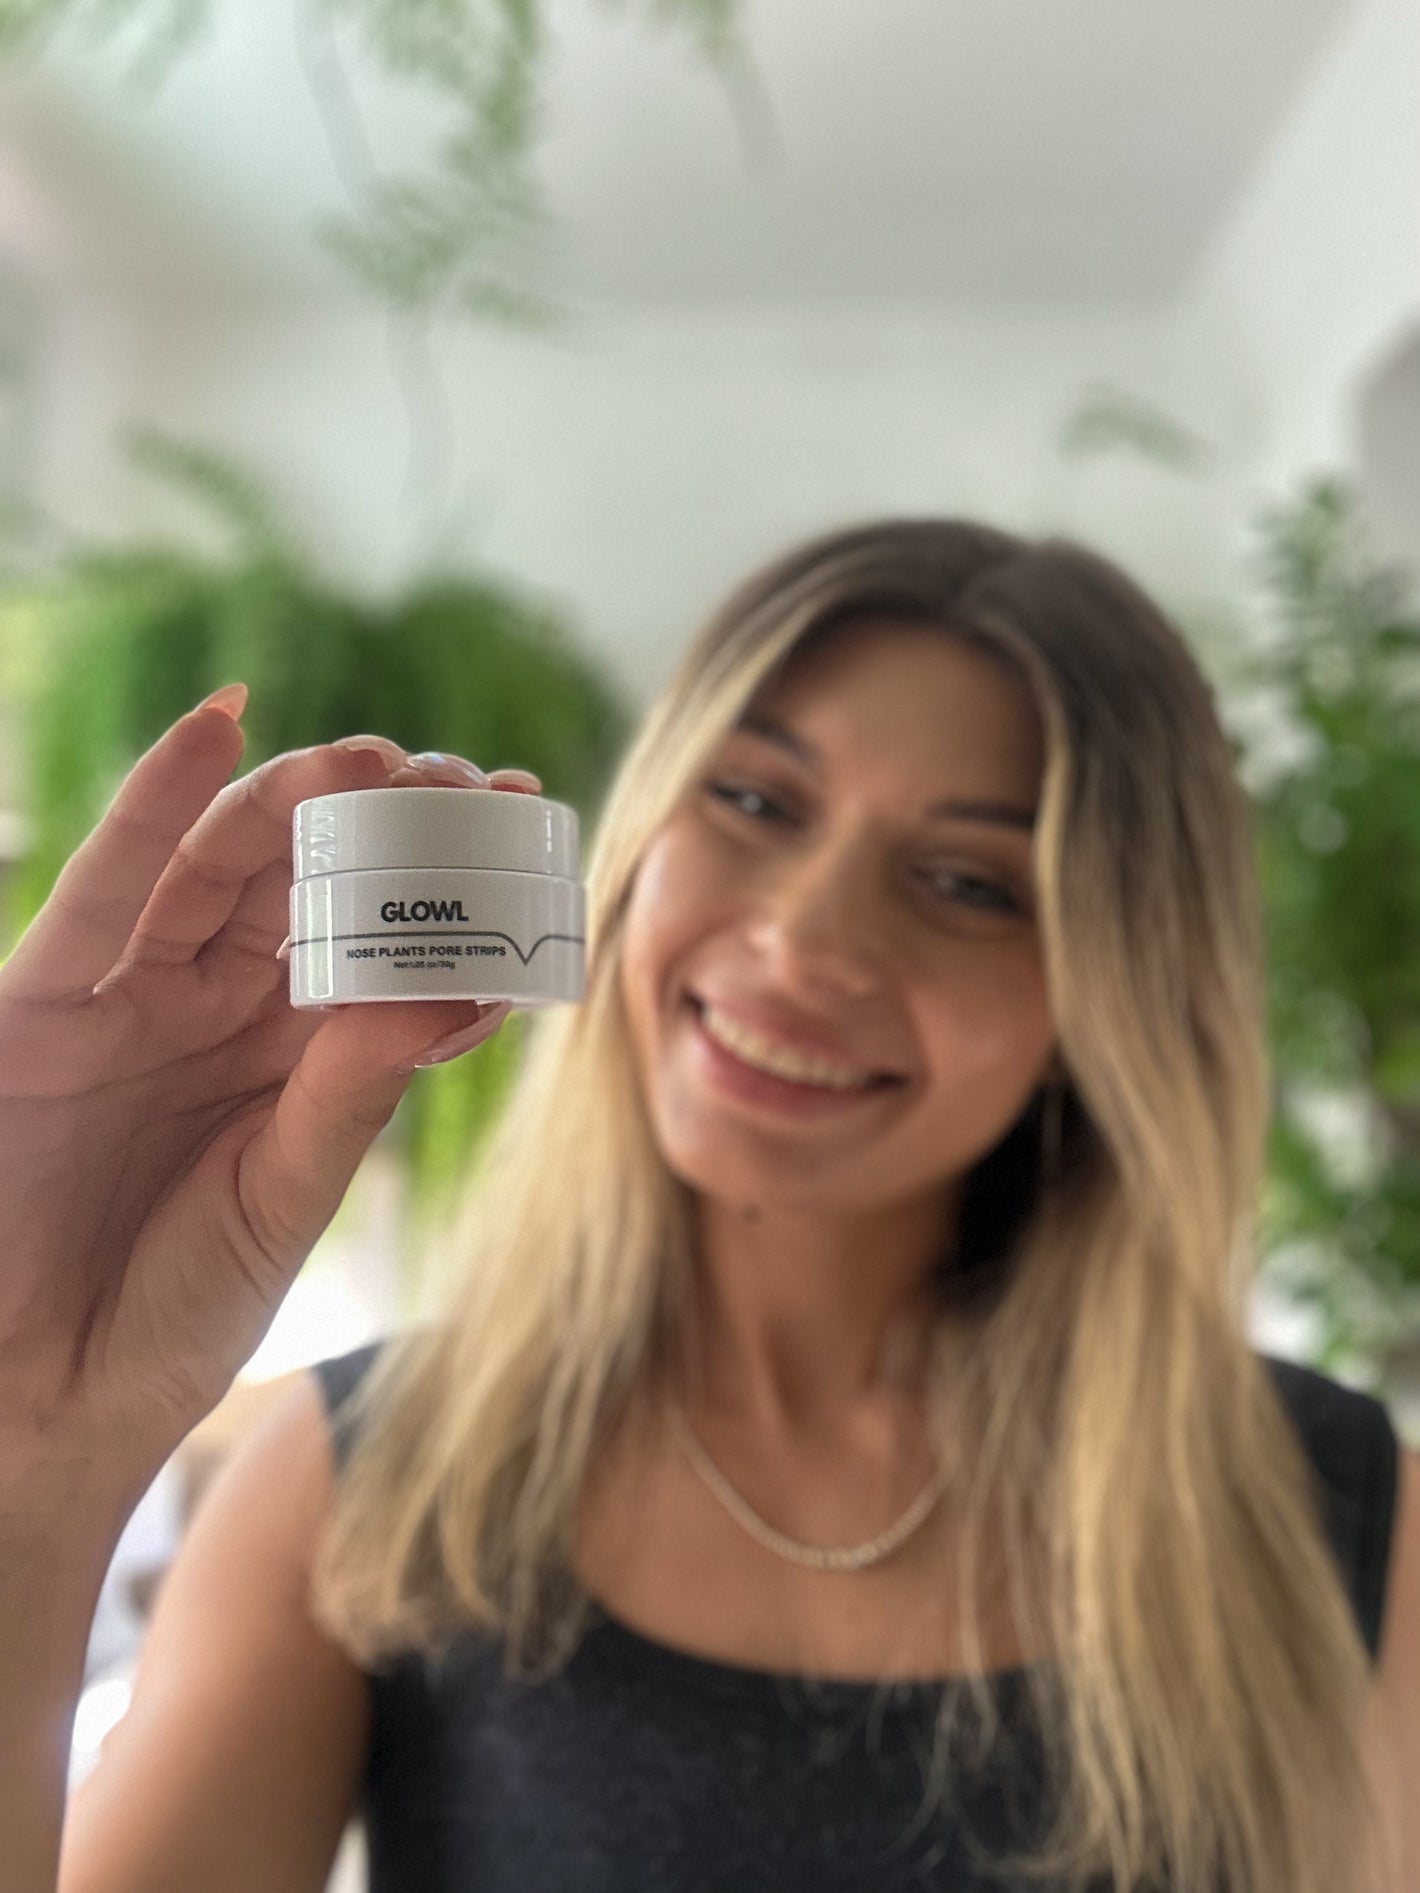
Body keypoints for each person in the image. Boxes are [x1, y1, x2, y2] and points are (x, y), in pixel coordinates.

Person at [0, 519, 1415, 1893]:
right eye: (754, 801)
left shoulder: (1334, 1513)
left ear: (1109, 992)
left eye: (966, 881)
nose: (802, 937)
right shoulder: (364, 1476)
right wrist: (44, 1436)